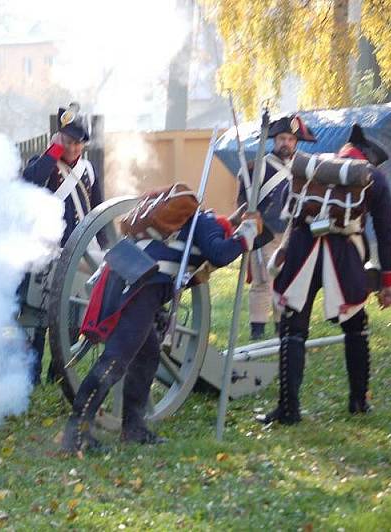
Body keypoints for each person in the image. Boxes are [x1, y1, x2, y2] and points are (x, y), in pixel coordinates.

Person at [60, 193, 263, 453]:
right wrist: (246, 232)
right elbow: (220, 253)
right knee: (114, 361)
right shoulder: (209, 223)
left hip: (138, 282)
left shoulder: (196, 225)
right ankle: (76, 434)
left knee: (147, 359)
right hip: (141, 286)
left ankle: (133, 429)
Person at [256, 123, 391, 425]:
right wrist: (388, 283)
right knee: (356, 326)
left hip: (303, 248)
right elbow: (386, 235)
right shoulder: (375, 179)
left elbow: (285, 206)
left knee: (293, 329)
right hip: (344, 255)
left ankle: (288, 409)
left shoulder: (313, 168)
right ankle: (358, 402)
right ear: (369, 158)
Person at [22, 102, 104, 385]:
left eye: (78, 143)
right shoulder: (42, 162)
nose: (74, 148)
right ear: (59, 139)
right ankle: (30, 376)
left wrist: (105, 248)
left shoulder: (88, 171)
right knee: (36, 317)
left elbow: (99, 210)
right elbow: (27, 183)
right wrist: (53, 152)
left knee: (69, 317)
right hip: (43, 252)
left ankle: (58, 373)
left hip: (76, 253)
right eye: (69, 142)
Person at [238, 114, 317, 340]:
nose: (286, 143)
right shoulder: (258, 167)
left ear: (296, 143)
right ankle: (258, 328)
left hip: (292, 231)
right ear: (274, 140)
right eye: (282, 138)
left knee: (286, 280)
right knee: (263, 280)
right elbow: (243, 199)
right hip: (265, 232)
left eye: (291, 140)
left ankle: (281, 325)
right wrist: (250, 221)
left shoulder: (302, 168)